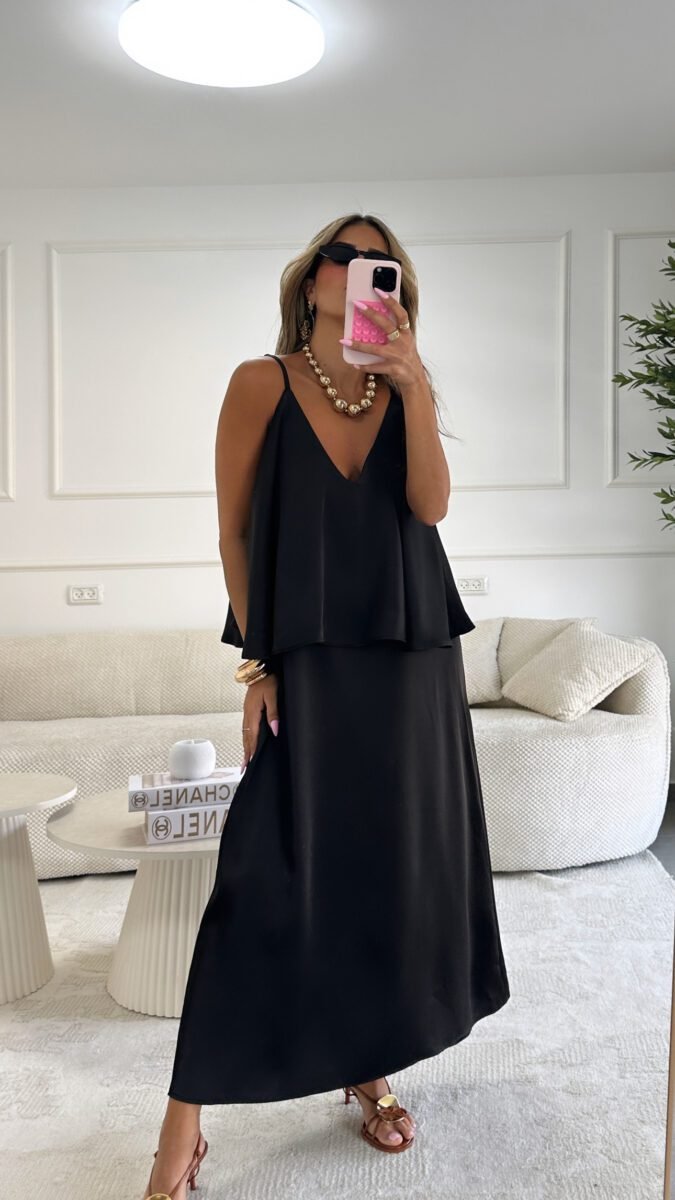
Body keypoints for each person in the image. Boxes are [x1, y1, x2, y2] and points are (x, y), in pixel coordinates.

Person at [141, 212, 510, 1198]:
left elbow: (429, 507)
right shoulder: (258, 383)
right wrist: (256, 665)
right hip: (305, 667)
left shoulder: (400, 387)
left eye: (378, 261)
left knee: (385, 873)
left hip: (412, 665)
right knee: (258, 881)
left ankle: (369, 1068)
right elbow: (233, 533)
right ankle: (183, 1126)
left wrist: (415, 384)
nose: (359, 271)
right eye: (343, 256)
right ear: (311, 281)